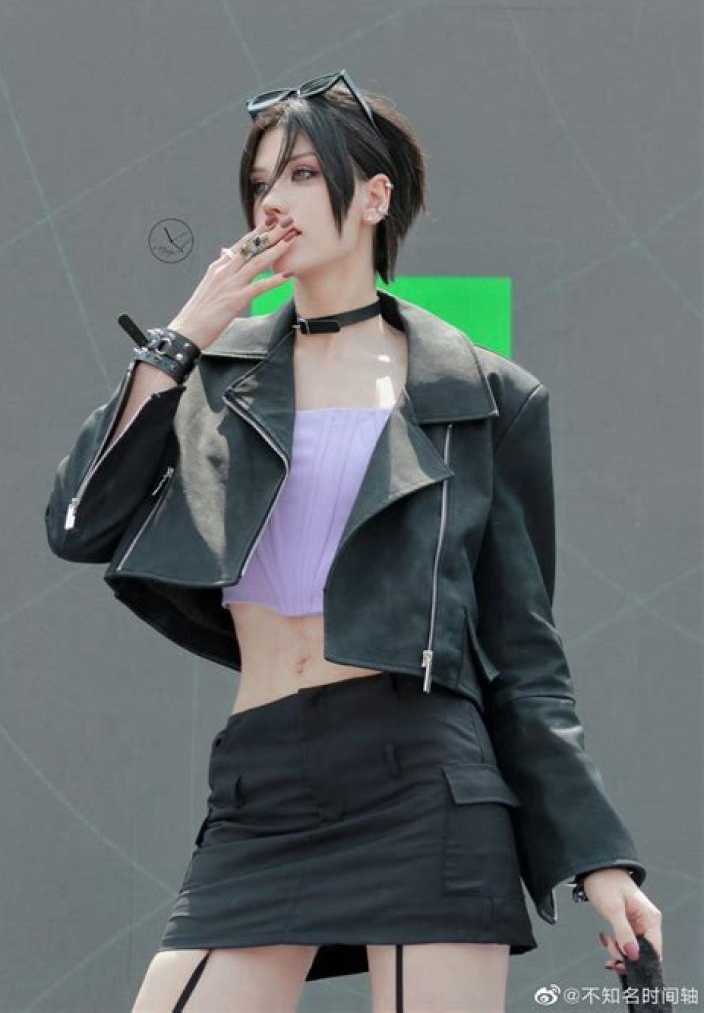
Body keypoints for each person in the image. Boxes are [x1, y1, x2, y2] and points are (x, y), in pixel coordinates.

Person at [45, 70, 663, 1013]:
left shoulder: (482, 395)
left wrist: (599, 858)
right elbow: (77, 525)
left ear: (373, 197)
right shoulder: (214, 372)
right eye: (261, 182)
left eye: (301, 175)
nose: (274, 201)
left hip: (423, 782)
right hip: (262, 782)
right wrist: (181, 339)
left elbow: (524, 651)